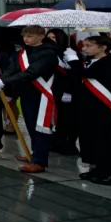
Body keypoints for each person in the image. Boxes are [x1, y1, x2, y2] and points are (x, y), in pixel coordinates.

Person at [0, 25, 59, 173]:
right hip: (27, 93)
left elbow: (32, 72)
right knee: (30, 126)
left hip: (42, 94)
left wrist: (6, 82)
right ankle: (34, 155)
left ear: (41, 36)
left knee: (41, 127)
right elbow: (12, 68)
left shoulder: (48, 53)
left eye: (30, 36)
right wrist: (2, 80)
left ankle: (40, 161)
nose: (26, 39)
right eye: (25, 36)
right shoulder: (22, 52)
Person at [75, 34, 111, 185]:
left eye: (89, 46)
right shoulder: (89, 61)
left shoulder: (110, 62)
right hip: (88, 107)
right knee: (91, 137)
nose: (85, 48)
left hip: (103, 107)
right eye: (84, 45)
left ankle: (108, 170)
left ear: (103, 47)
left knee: (104, 139)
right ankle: (97, 167)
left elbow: (87, 74)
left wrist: (73, 61)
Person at [47, 28, 82, 156]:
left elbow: (76, 75)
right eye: (49, 37)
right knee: (57, 117)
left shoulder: (70, 52)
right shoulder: (49, 52)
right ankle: (57, 140)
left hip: (69, 91)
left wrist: (72, 61)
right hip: (54, 89)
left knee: (70, 118)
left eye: (54, 38)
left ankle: (70, 143)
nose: (51, 40)